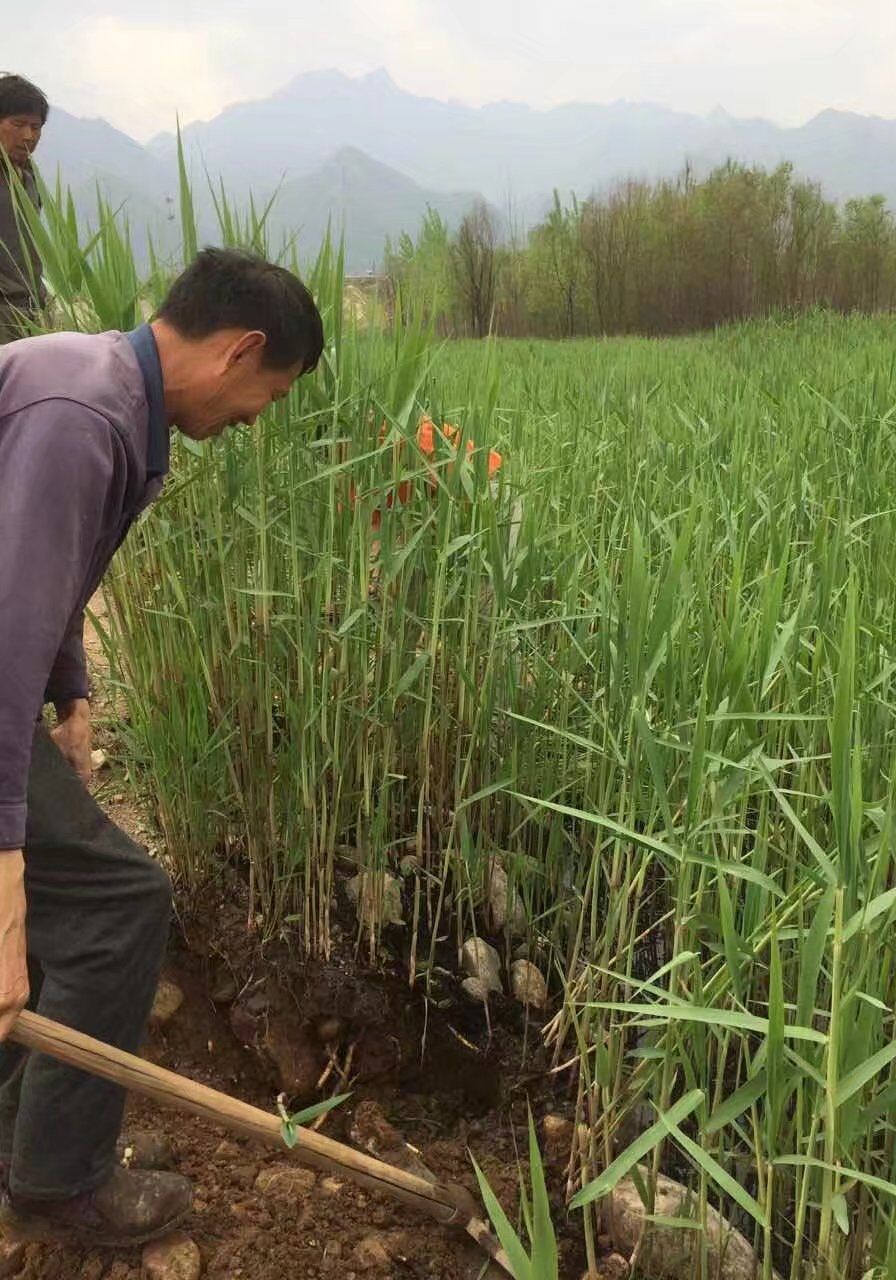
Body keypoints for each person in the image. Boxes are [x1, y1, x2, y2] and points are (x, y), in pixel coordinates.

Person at [0, 247, 324, 1246]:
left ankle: (21, 1134)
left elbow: (34, 577)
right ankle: (59, 1185)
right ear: (242, 350)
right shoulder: (85, 420)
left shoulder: (100, 387)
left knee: (84, 890)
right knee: (115, 898)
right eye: (266, 396)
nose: (252, 420)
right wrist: (6, 894)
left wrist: (74, 689)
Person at [0, 75, 47, 344]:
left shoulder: (28, 178)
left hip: (31, 311)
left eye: (36, 127)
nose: (28, 136)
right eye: (17, 125)